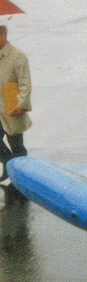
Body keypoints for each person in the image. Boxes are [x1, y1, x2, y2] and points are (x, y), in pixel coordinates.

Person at [0, 25, 31, 205]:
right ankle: (9, 165)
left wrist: (21, 105)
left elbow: (25, 82)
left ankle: (20, 180)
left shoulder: (17, 56)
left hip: (12, 108)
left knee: (17, 145)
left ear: (3, 36)